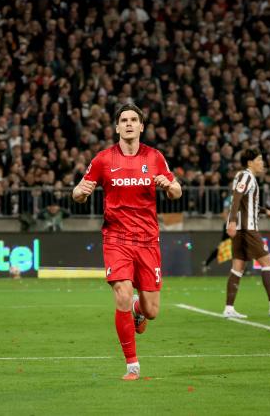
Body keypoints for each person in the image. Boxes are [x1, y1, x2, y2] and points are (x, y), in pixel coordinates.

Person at [72, 104, 182, 381]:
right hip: (116, 237)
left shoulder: (155, 157)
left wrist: (169, 186)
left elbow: (177, 190)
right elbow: (78, 191)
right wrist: (80, 193)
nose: (129, 124)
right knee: (121, 293)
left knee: (152, 311)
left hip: (147, 239)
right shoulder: (103, 159)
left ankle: (138, 309)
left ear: (142, 126)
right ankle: (132, 365)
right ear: (117, 127)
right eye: (124, 120)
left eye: (134, 119)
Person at [223, 148, 270, 319]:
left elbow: (247, 204)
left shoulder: (247, 178)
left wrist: (265, 211)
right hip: (248, 229)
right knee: (267, 262)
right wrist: (231, 221)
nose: (262, 163)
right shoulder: (246, 176)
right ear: (250, 163)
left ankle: (229, 309)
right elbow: (236, 199)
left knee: (238, 268)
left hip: (242, 229)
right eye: (260, 159)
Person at [201, 194, 232, 273]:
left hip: (235, 225)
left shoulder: (238, 197)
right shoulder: (230, 198)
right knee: (227, 247)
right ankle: (242, 269)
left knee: (231, 247)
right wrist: (228, 223)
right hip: (230, 225)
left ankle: (206, 263)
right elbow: (225, 212)